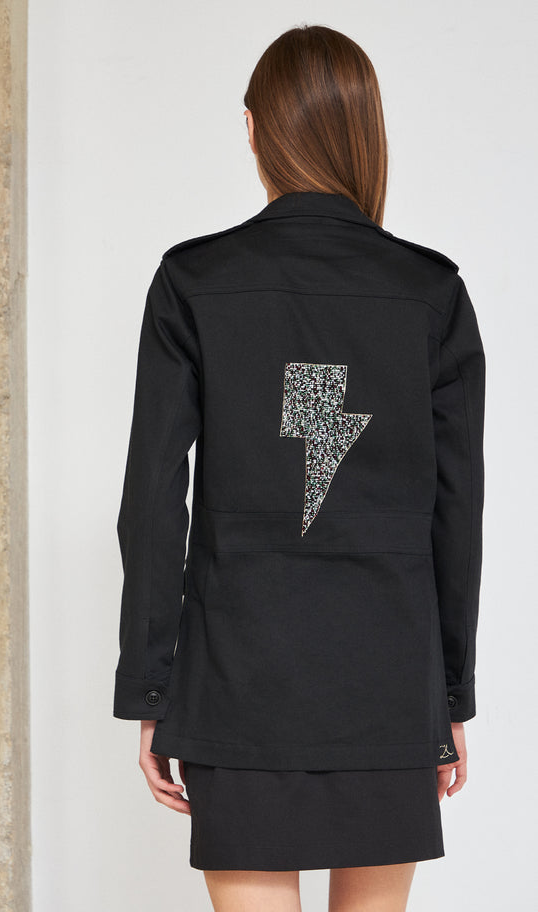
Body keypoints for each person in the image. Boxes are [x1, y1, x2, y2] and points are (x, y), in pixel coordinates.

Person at [112, 23, 486, 912]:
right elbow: (457, 509)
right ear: (368, 130)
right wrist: (448, 695)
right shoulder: (432, 292)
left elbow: (153, 501)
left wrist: (153, 689)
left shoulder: (192, 282)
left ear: (252, 128)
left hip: (239, 683)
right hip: (387, 683)